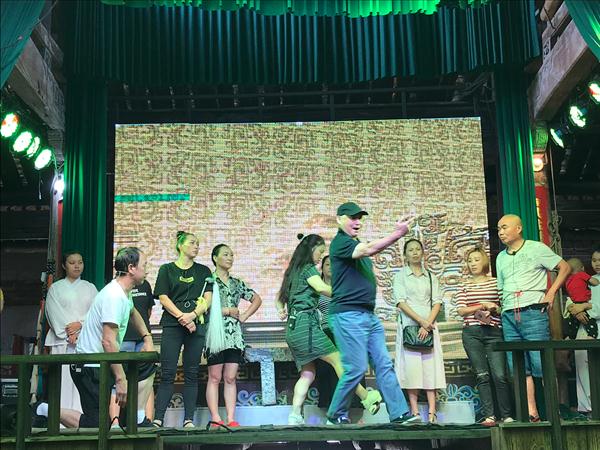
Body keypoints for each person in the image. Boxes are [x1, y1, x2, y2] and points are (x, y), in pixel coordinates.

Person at [36, 247, 156, 428]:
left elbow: (133, 312)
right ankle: (45, 409)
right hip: (89, 365)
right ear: (131, 268)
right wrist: (120, 379)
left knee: (147, 364)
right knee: (97, 425)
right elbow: (108, 341)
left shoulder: (124, 291)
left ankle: (139, 417)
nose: (147, 269)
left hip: (102, 361)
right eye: (144, 265)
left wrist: (147, 338)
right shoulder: (114, 296)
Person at [276, 233, 382, 425]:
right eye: (320, 252)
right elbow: (321, 287)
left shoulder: (293, 272)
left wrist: (280, 310)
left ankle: (295, 415)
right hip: (306, 326)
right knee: (338, 360)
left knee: (308, 373)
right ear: (312, 249)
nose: (320, 257)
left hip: (293, 328)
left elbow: (279, 298)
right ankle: (366, 397)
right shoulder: (308, 269)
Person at [326, 202, 415, 425]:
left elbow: (366, 249)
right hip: (348, 314)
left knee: (384, 364)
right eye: (352, 217)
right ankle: (335, 415)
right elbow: (368, 249)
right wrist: (397, 234)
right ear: (339, 219)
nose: (357, 222)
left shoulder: (355, 243)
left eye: (359, 218)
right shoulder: (340, 243)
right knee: (356, 368)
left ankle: (399, 413)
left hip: (368, 316)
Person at [495, 214, 571, 422]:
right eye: (498, 229)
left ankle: (553, 412)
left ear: (518, 228)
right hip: (509, 314)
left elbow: (564, 267)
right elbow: (501, 289)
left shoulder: (536, 248)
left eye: (504, 227)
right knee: (519, 366)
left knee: (541, 363)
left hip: (533, 311)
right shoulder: (500, 257)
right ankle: (532, 413)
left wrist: (551, 292)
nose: (500, 232)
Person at [153, 231, 213, 428]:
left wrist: (192, 315)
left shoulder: (204, 270)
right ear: (180, 245)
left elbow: (208, 299)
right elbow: (163, 298)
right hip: (172, 324)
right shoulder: (166, 269)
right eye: (192, 243)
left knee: (191, 373)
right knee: (168, 372)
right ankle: (158, 418)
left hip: (196, 324)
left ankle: (188, 419)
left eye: (198, 243)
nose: (196, 246)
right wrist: (182, 317)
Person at [205, 244, 262, 428]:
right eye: (225, 254)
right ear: (215, 258)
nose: (230, 258)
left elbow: (256, 299)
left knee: (230, 377)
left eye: (231, 255)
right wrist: (227, 311)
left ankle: (231, 418)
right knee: (214, 377)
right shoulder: (208, 281)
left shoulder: (237, 283)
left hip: (234, 336)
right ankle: (215, 418)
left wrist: (244, 316)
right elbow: (203, 308)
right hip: (215, 333)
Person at [455, 247, 512, 426]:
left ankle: (506, 415)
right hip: (472, 332)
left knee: (500, 375)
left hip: (494, 331)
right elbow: (461, 310)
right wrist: (482, 305)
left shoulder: (495, 283)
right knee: (482, 375)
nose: (473, 263)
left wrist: (493, 308)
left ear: (485, 261)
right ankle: (489, 415)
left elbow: (504, 307)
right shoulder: (464, 285)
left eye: (476, 259)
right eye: (470, 260)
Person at [393, 239, 446, 424]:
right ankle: (414, 412)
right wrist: (420, 321)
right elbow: (400, 302)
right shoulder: (400, 276)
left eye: (418, 249)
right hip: (409, 325)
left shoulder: (431, 276)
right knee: (412, 368)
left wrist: (427, 323)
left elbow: (437, 301)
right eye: (410, 250)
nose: (415, 252)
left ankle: (432, 412)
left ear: (423, 253)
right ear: (405, 255)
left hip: (429, 326)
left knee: (430, 368)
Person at [44, 251, 97, 413]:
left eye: (80, 262)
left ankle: (82, 418)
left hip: (84, 340)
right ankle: (60, 419)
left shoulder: (90, 288)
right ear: (64, 265)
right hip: (61, 341)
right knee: (62, 381)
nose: (77, 266)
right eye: (72, 263)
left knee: (83, 383)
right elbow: (53, 312)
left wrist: (80, 325)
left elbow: (96, 313)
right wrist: (69, 332)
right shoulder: (56, 288)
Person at [109, 279, 156, 423]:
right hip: (124, 339)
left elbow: (148, 311)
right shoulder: (116, 288)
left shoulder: (145, 284)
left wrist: (145, 336)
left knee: (147, 378)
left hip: (142, 339)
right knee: (118, 380)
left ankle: (146, 420)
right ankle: (115, 422)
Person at [570, 248, 600, 414]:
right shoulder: (585, 278)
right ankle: (586, 408)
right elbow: (571, 300)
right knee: (582, 367)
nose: (597, 263)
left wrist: (585, 306)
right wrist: (575, 309)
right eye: (594, 260)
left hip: (596, 324)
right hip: (584, 326)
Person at [563, 258, 599, 339]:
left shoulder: (567, 280)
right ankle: (592, 335)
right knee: (589, 320)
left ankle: (570, 336)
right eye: (594, 261)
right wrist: (597, 281)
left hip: (574, 303)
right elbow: (595, 282)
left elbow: (569, 297)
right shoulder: (582, 274)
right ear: (582, 268)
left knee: (572, 322)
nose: (597, 264)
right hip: (582, 303)